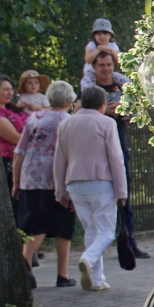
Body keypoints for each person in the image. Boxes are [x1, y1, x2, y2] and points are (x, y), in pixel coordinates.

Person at [53, 85, 126, 292]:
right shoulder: (107, 123)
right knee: (105, 232)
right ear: (102, 105)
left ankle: (96, 279)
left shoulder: (66, 124)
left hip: (74, 184)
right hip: (101, 183)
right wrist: (121, 191)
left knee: (91, 231)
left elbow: (59, 160)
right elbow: (116, 159)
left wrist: (61, 191)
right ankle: (88, 258)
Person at [82, 50, 147, 258]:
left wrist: (125, 111)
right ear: (94, 67)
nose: (106, 69)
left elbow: (138, 109)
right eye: (101, 65)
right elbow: (81, 114)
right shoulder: (89, 90)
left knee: (124, 194)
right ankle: (98, 242)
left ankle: (128, 241)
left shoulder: (121, 86)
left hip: (119, 144)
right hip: (95, 150)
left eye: (109, 65)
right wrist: (103, 111)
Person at [13, 81, 76, 288]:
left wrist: (16, 181)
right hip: (58, 179)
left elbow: (20, 151)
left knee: (35, 223)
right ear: (69, 100)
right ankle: (63, 274)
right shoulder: (69, 121)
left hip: (31, 177)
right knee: (62, 226)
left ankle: (25, 265)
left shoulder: (34, 118)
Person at [0, 74, 28, 221]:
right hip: (7, 161)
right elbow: (15, 138)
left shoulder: (11, 108)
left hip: (20, 158)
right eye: (5, 89)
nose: (10, 93)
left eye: (11, 89)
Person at [82, 18, 120, 88]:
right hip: (91, 74)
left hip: (108, 73)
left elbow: (119, 61)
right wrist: (98, 50)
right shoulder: (92, 45)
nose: (102, 36)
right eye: (99, 34)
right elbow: (88, 59)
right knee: (86, 86)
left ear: (110, 35)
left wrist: (111, 50)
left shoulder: (113, 45)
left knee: (123, 80)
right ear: (94, 36)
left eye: (105, 33)